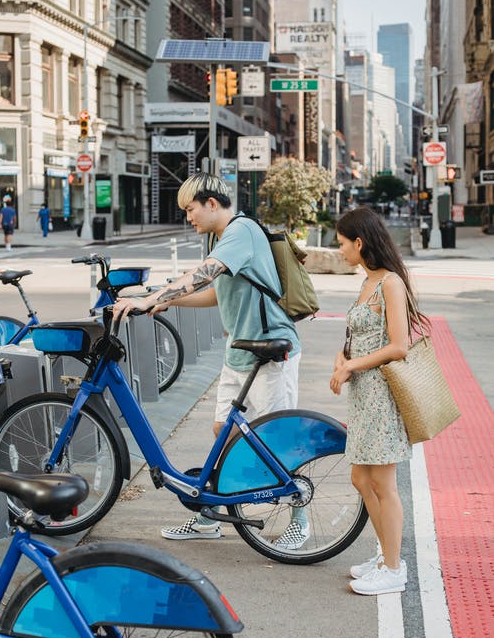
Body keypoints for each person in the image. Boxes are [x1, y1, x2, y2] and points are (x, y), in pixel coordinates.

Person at [112, 172, 309, 549]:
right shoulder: (221, 238)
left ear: (212, 204)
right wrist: (165, 301)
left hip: (271, 351)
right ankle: (210, 516)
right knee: (224, 431)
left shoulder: (242, 231)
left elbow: (205, 275)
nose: (189, 218)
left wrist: (151, 298)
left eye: (191, 209)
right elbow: (216, 294)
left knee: (276, 439)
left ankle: (299, 515)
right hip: (239, 352)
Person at [329, 206, 429, 596]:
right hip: (363, 395)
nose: (339, 251)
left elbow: (399, 346)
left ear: (360, 242)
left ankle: (393, 568)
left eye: (342, 244)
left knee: (383, 485)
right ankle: (386, 554)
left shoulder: (390, 283)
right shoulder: (367, 281)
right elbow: (357, 336)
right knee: (360, 477)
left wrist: (352, 364)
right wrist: (342, 361)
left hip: (383, 397)